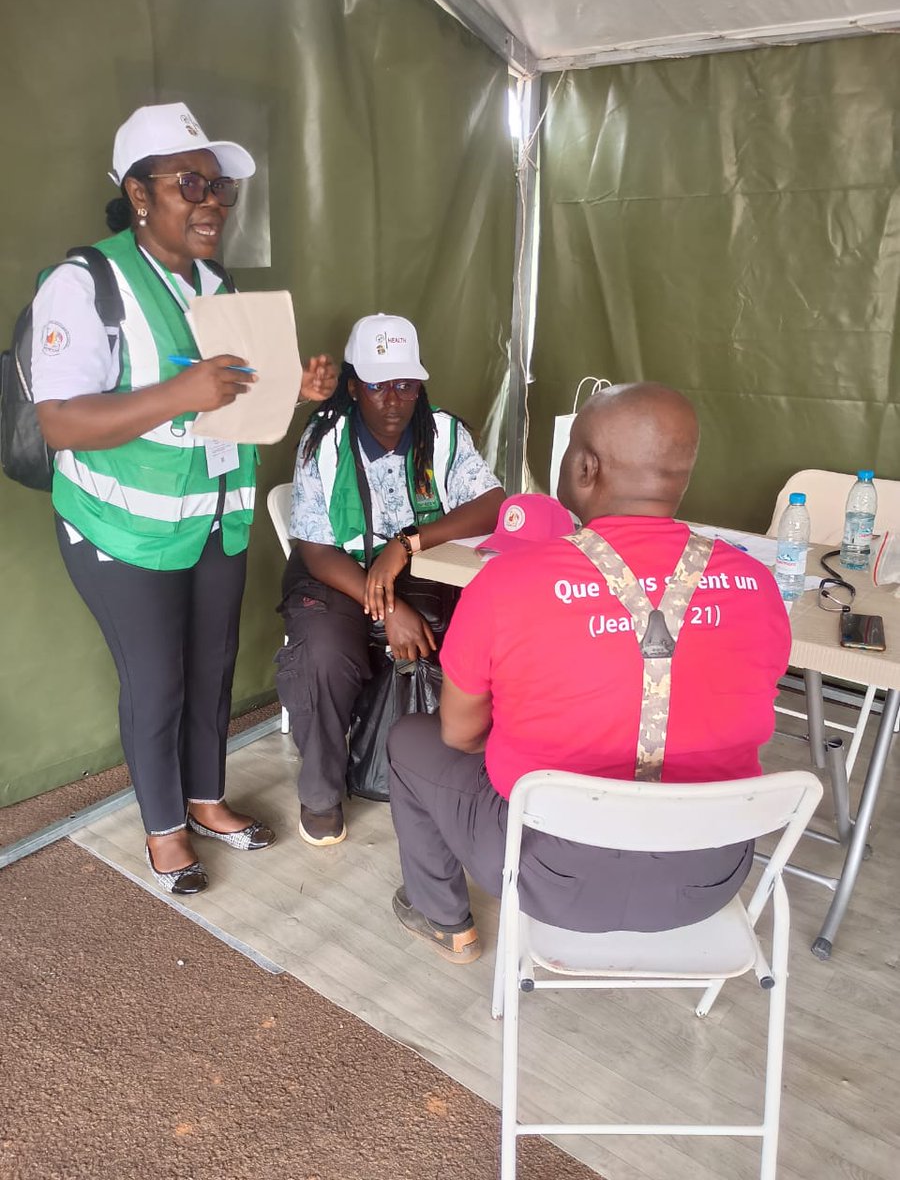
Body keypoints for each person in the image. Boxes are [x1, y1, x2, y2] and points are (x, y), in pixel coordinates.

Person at [32, 102, 336, 895]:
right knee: (157, 680)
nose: (213, 202)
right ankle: (164, 829)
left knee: (211, 668)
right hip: (120, 529)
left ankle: (205, 800)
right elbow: (60, 421)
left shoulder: (215, 284)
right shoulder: (85, 284)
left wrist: (293, 391)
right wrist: (179, 393)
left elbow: (231, 401)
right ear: (139, 194)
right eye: (189, 183)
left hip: (212, 521)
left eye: (221, 186)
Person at [387, 382, 792, 963]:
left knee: (411, 738)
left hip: (552, 878)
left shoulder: (506, 584)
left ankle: (443, 919)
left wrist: (534, 724)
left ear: (584, 467)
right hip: (707, 879)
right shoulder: (759, 586)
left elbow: (460, 735)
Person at [276, 312, 505, 847]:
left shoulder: (442, 433)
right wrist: (387, 606)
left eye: (406, 384)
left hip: (422, 569)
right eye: (378, 386)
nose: (393, 399)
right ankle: (321, 792)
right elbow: (315, 547)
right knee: (321, 653)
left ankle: (462, 771)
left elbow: (492, 504)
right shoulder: (324, 439)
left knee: (484, 632)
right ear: (354, 386)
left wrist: (405, 545)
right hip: (335, 572)